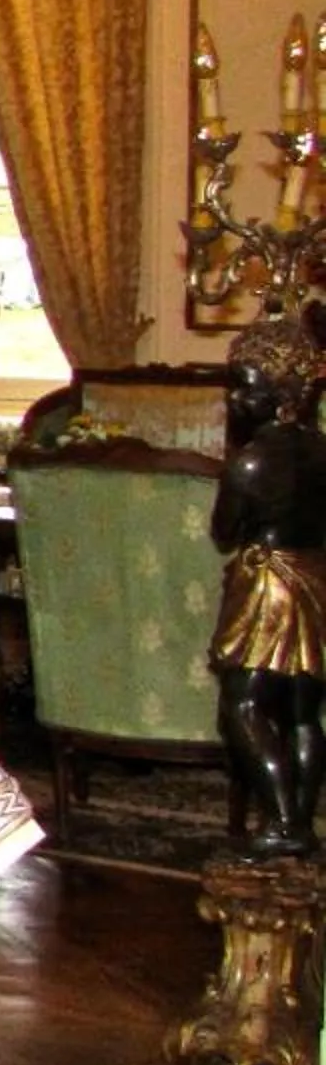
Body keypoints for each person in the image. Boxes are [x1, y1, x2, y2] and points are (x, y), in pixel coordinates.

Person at [209, 311, 326, 859]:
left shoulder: (251, 464)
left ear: (283, 394)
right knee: (303, 712)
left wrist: (237, 452)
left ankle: (281, 819)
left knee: (245, 707)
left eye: (245, 387)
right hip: (318, 580)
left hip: (268, 587)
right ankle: (302, 820)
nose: (234, 399)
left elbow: (224, 530)